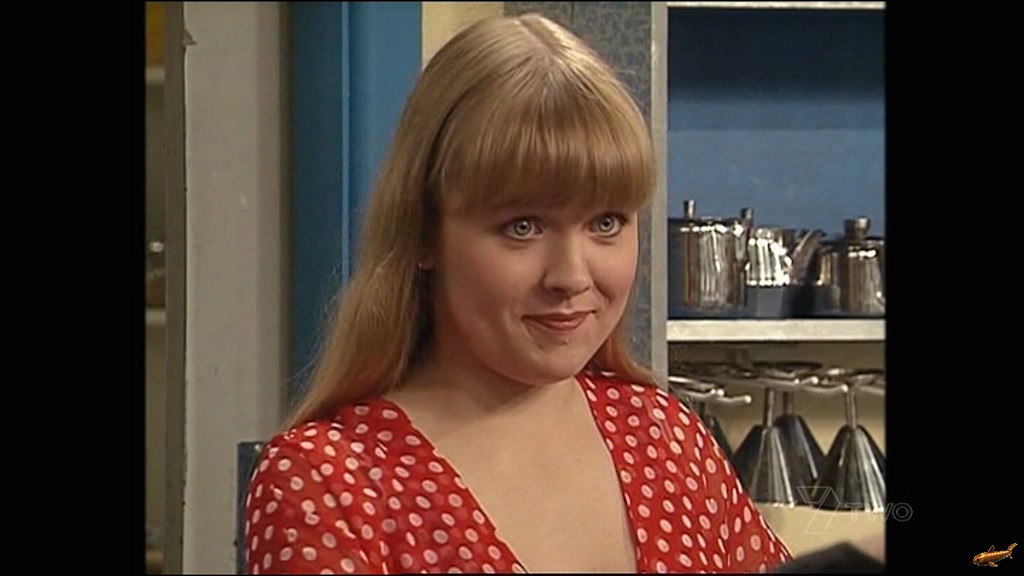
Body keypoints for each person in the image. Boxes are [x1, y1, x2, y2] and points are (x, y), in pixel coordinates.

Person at [244, 13, 792, 574]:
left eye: (605, 223)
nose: (571, 276)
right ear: (424, 233)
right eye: (522, 227)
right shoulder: (329, 483)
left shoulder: (667, 440)